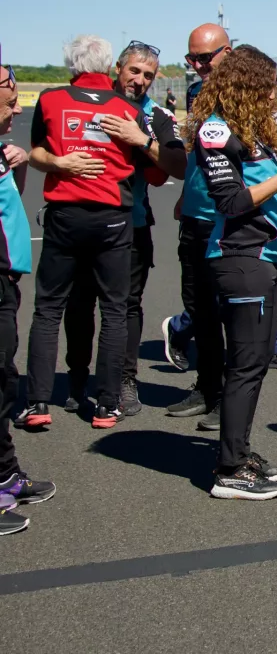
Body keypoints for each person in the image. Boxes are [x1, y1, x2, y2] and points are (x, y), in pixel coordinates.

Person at [188, 46, 277, 499]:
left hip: (263, 254)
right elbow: (231, 202)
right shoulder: (215, 129)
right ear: (246, 84)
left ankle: (239, 452)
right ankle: (229, 470)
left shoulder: (253, 127)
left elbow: (264, 200)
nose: (274, 94)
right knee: (245, 366)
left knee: (256, 361)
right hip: (240, 257)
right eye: (268, 85)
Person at [164, 25, 277, 430]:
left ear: (229, 54)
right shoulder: (197, 96)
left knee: (237, 321)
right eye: (191, 59)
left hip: (237, 227)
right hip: (196, 219)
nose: (197, 65)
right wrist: (187, 192)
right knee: (201, 312)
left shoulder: (260, 105)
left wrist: (275, 196)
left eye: (204, 58)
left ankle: (228, 402)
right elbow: (199, 158)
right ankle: (207, 388)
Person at [21, 36, 150, 429]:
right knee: (114, 309)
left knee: (48, 307)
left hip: (66, 213)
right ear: (110, 66)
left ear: (71, 65)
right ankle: (107, 404)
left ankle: (38, 402)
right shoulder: (128, 108)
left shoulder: (51, 99)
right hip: (113, 216)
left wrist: (61, 162)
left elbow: (35, 152)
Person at [62, 42, 186, 416]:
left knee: (126, 307)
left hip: (132, 225)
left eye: (148, 75)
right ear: (118, 68)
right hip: (82, 222)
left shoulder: (158, 115)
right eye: (134, 71)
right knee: (80, 302)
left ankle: (124, 379)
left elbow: (177, 166)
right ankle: (77, 377)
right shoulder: (90, 101)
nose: (140, 80)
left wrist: (141, 139)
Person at [0, 66, 55, 534]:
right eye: (10, 99)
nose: (19, 109)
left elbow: (11, 202)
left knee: (4, 379)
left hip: (6, 277)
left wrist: (16, 165)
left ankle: (5, 474)